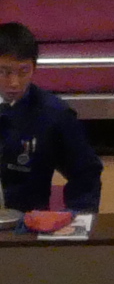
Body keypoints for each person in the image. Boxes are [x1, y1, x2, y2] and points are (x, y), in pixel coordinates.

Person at [0, 25, 103, 226]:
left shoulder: (54, 114)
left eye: (23, 71)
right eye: (4, 72)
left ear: (34, 68)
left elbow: (85, 173)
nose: (14, 83)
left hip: (25, 227)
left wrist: (76, 219)